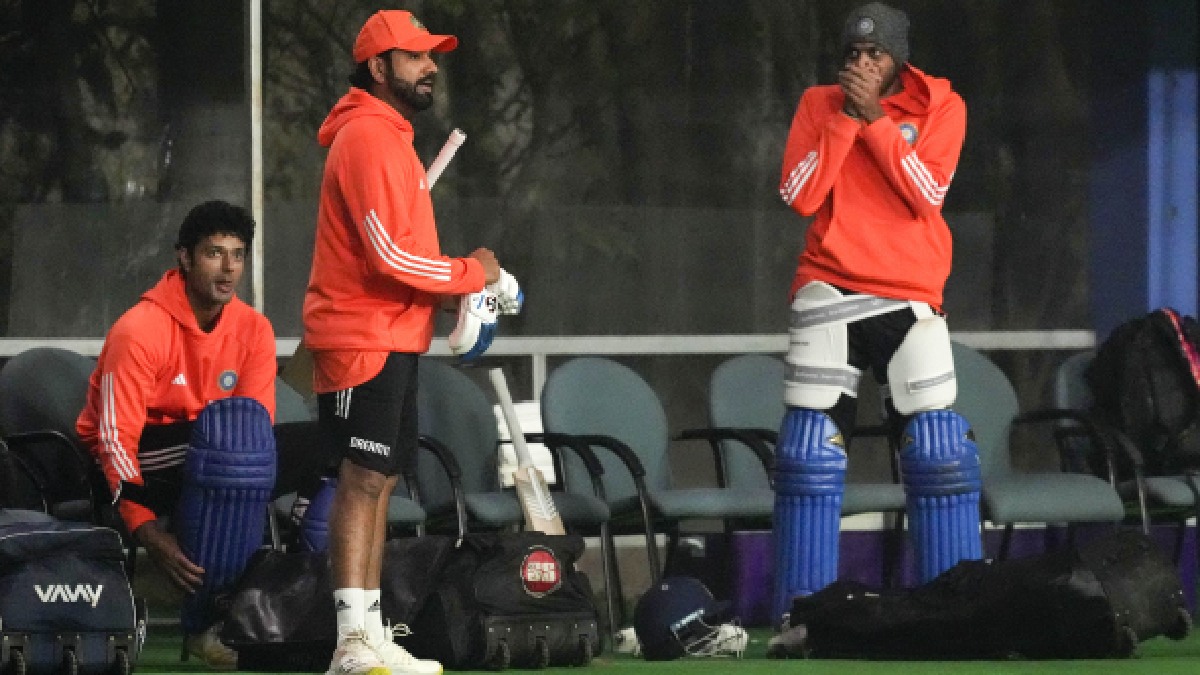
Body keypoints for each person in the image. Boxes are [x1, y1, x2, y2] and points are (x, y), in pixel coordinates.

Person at [302, 10, 506, 675]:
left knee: (381, 479)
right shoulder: (365, 135)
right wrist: (473, 273)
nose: (430, 66)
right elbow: (390, 256)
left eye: (431, 55)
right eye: (415, 55)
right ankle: (350, 644)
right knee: (361, 479)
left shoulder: (393, 137)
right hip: (359, 338)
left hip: (392, 335)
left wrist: (464, 284)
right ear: (377, 66)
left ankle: (370, 632)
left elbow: (405, 258)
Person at [771, 2, 976, 622]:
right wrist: (845, 120)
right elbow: (799, 194)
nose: (862, 64)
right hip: (830, 286)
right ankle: (802, 617)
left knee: (939, 450)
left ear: (898, 60)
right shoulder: (818, 104)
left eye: (875, 53)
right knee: (809, 452)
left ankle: (953, 614)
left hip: (910, 293)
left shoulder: (941, 105)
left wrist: (876, 120)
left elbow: (926, 194)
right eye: (853, 54)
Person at [76, 200, 327, 669]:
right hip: (139, 459)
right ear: (185, 258)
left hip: (217, 453)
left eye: (238, 254)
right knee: (230, 453)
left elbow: (254, 429)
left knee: (335, 446)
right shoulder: (139, 329)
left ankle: (292, 597)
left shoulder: (254, 329)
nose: (228, 268)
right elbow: (113, 441)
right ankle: (205, 624)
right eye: (214, 253)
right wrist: (146, 529)